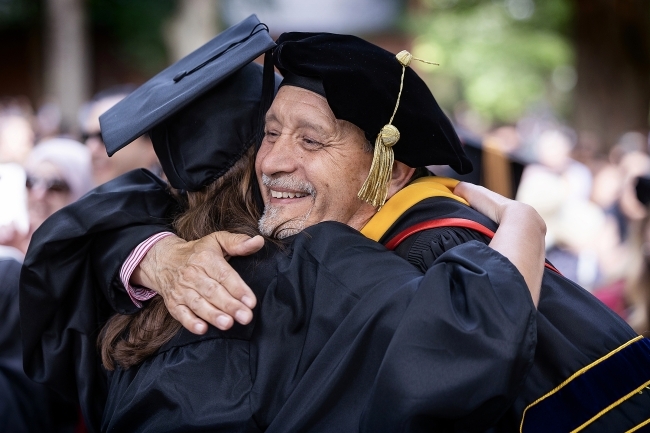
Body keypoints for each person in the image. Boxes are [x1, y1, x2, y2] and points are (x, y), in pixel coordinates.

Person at [22, 22, 650, 432]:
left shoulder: (431, 251)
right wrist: (153, 253)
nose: (277, 160)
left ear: (390, 167)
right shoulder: (269, 259)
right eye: (269, 134)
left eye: (311, 139)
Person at [80, 86, 160, 186]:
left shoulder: (181, 198)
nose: (91, 148)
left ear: (151, 143)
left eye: (104, 136)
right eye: (86, 137)